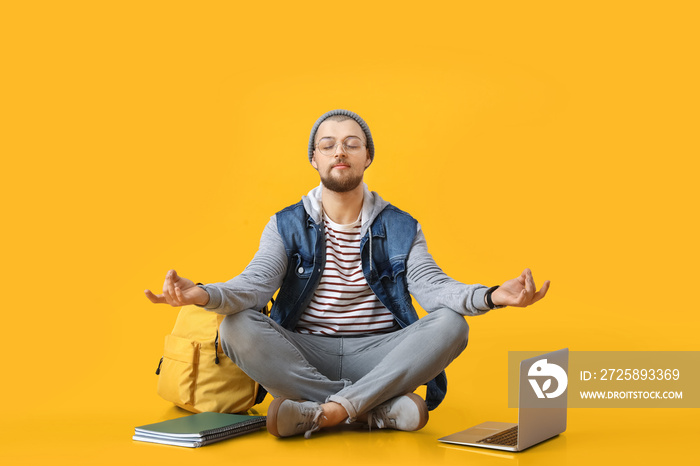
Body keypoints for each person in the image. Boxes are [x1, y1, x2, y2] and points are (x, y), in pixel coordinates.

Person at [145, 109, 550, 439]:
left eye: (351, 144)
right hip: (304, 353)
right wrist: (200, 293)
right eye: (328, 145)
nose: (340, 151)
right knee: (236, 326)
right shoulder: (284, 224)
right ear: (314, 158)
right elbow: (254, 285)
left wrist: (493, 295)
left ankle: (324, 411)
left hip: (381, 354)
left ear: (367, 157)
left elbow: (433, 286)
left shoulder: (402, 226)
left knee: (451, 324)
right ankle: (373, 410)